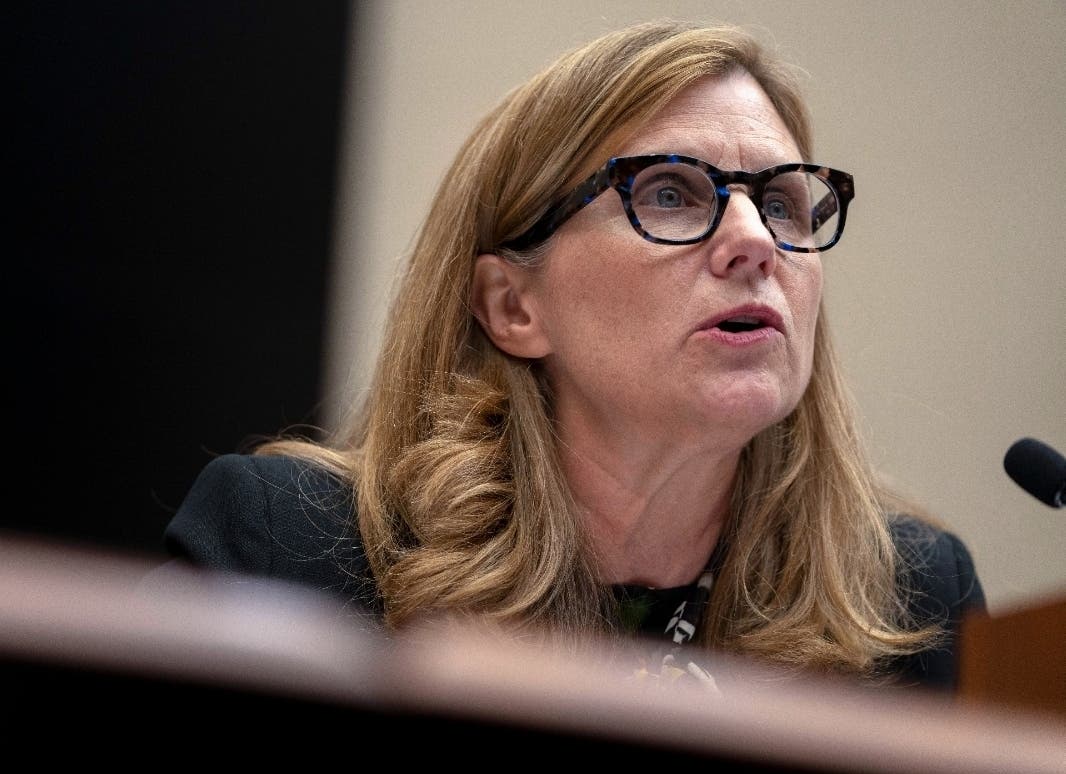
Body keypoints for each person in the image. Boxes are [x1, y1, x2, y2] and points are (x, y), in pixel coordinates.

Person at [160, 20, 985, 692]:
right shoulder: (292, 552)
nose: (754, 242)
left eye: (781, 203)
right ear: (513, 307)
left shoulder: (911, 603)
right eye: (670, 193)